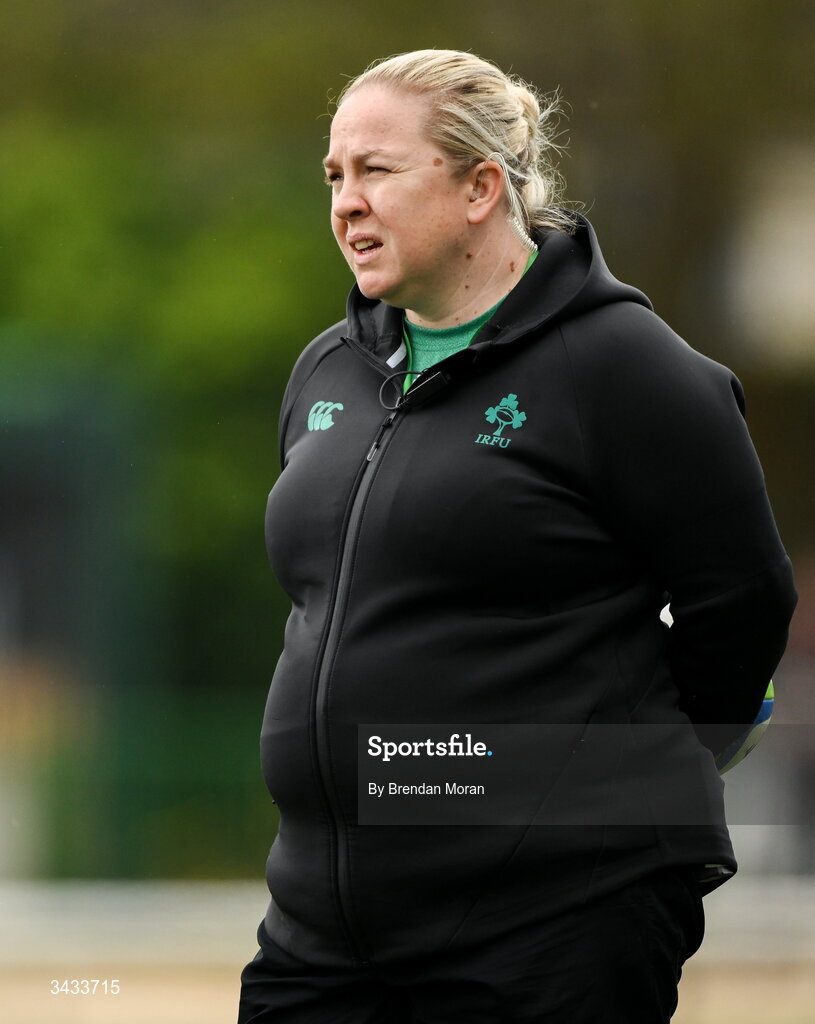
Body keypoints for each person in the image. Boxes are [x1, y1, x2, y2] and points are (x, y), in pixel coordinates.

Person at [237, 49, 797, 1023]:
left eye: (376, 170)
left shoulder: (629, 370)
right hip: (322, 931)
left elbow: (741, 603)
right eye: (333, 175)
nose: (345, 202)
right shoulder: (326, 371)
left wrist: (613, 775)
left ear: (479, 187)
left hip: (553, 925)